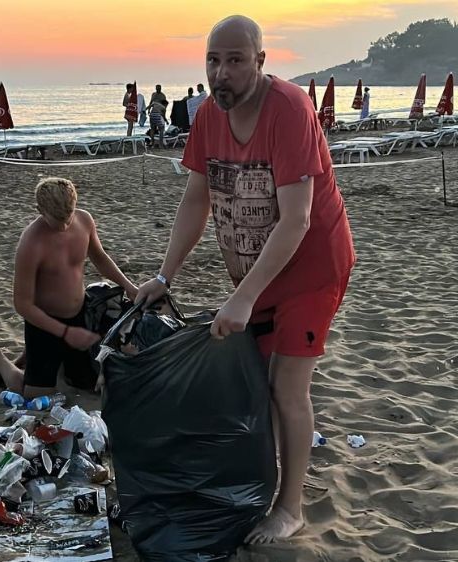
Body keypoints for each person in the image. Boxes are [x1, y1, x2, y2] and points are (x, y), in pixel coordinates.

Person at [135, 15, 355, 544]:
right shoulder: (209, 114)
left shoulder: (289, 110)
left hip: (311, 267)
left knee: (286, 388)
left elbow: (298, 218)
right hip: (256, 273)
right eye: (213, 60)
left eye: (235, 60)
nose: (222, 72)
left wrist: (242, 297)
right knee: (251, 384)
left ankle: (291, 507)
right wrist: (166, 274)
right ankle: (261, 479)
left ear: (260, 61)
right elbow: (196, 197)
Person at [0, 177, 138, 398]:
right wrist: (66, 332)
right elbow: (22, 303)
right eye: (56, 220)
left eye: (68, 217)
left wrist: (127, 285)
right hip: (44, 322)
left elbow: (99, 257)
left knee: (88, 383)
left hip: (80, 313)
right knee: (30, 395)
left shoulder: (84, 220)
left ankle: (37, 358)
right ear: (40, 210)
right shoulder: (31, 241)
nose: (64, 226)